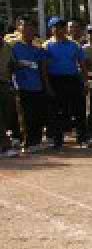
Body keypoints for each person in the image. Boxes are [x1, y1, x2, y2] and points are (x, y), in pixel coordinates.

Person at [11, 17, 54, 152]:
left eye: (31, 28)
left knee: (38, 115)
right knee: (26, 116)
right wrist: (21, 64)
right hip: (22, 87)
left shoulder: (38, 48)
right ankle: (28, 143)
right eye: (26, 27)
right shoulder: (14, 46)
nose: (29, 30)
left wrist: (46, 87)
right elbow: (10, 65)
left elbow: (44, 67)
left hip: (38, 87)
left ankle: (36, 141)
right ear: (20, 28)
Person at [45, 17, 87, 148]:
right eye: (56, 27)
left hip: (73, 79)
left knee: (79, 109)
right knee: (58, 112)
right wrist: (47, 86)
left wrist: (85, 82)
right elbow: (44, 69)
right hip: (55, 80)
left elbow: (82, 64)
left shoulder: (74, 44)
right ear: (51, 29)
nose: (59, 30)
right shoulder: (46, 46)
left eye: (62, 27)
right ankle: (58, 140)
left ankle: (82, 139)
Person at [0, 31, 17, 156]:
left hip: (5, 83)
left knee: (7, 113)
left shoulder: (7, 47)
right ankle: (5, 145)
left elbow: (12, 65)